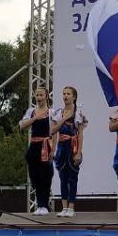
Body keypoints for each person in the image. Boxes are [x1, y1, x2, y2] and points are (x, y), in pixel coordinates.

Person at [51, 86, 88, 217]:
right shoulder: (58, 113)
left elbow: (80, 135)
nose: (65, 96)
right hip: (61, 148)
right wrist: (63, 119)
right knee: (63, 178)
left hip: (73, 147)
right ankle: (64, 207)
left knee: (72, 178)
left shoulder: (78, 113)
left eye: (68, 94)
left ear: (74, 97)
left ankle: (71, 208)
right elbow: (52, 131)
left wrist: (78, 152)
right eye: (64, 93)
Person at [20, 87, 56, 215]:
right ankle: (39, 205)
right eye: (37, 95)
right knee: (34, 176)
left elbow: (55, 131)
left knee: (45, 175)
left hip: (46, 145)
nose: (39, 97)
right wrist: (34, 118)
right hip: (34, 145)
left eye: (41, 95)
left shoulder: (52, 112)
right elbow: (22, 125)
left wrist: (53, 149)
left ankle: (44, 205)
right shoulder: (31, 111)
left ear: (46, 96)